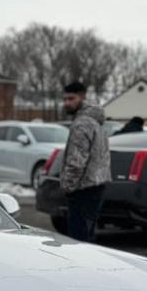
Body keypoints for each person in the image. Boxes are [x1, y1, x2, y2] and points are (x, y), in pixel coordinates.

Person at [58, 81, 111, 242]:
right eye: (65, 99)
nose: (66, 103)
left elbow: (76, 161)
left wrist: (68, 187)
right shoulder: (96, 121)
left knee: (78, 241)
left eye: (71, 99)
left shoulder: (82, 124)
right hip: (97, 185)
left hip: (83, 189)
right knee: (88, 238)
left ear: (82, 97)